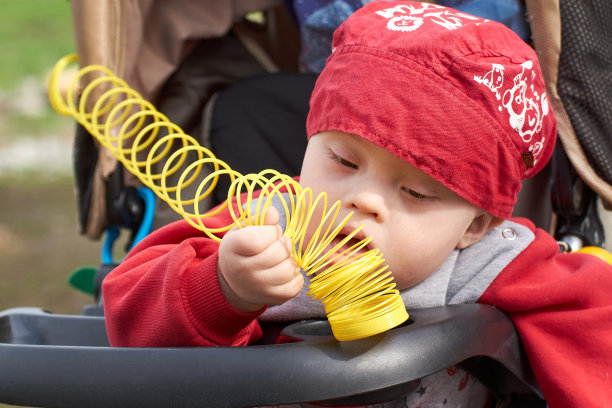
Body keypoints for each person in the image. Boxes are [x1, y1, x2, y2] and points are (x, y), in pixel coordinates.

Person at [102, 2, 612, 407]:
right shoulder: (263, 223)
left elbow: (596, 325)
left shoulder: (493, 260)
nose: (363, 198)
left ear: (473, 226)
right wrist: (225, 288)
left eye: (414, 192)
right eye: (344, 162)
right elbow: (128, 311)